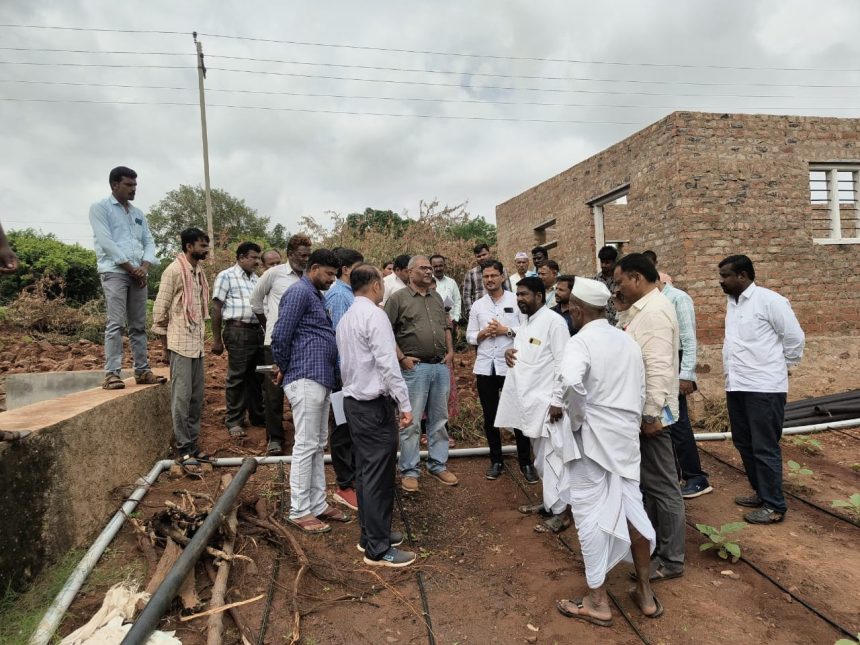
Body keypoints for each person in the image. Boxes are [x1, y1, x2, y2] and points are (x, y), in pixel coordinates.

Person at [554, 277, 660, 626]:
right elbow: (641, 388)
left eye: (571, 310)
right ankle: (644, 593)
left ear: (578, 310)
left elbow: (570, 382)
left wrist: (577, 418)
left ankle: (597, 601)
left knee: (588, 516)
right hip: (625, 442)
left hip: (593, 444)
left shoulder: (580, 342)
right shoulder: (626, 340)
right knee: (632, 509)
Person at [337, 264, 416, 567]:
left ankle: (370, 535)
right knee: (378, 476)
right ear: (374, 285)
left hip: (354, 404)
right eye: (381, 283)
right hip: (373, 407)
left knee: (365, 472)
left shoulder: (346, 318)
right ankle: (379, 550)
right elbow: (388, 364)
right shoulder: (375, 315)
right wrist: (405, 404)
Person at [614, 253, 686, 581]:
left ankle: (671, 560)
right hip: (644, 414)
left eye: (620, 282)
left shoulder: (655, 313)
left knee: (664, 487)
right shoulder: (641, 310)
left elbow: (657, 368)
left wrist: (650, 415)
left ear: (637, 278)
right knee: (652, 486)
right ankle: (657, 550)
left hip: (653, 416)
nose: (618, 289)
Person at [719, 254, 804, 524]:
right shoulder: (732, 303)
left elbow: (794, 337)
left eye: (726, 276)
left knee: (765, 446)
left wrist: (783, 366)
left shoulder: (770, 301)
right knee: (744, 442)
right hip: (738, 384)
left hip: (764, 387)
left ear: (742, 276)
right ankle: (761, 492)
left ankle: (774, 505)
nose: (721, 281)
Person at [272, 249, 349, 533]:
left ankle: (317, 503)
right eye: (329, 274)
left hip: (319, 377)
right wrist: (284, 365)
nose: (332, 280)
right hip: (305, 376)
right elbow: (281, 334)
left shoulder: (314, 295)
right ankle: (299, 509)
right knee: (305, 444)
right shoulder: (300, 293)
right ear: (314, 268)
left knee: (317, 444)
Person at [495, 277, 572, 533]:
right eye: (517, 295)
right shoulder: (526, 322)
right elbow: (526, 351)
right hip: (529, 403)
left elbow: (564, 364)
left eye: (524, 294)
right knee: (541, 459)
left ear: (540, 296)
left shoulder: (555, 323)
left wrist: (558, 400)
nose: (519, 299)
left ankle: (562, 513)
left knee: (553, 458)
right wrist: (509, 350)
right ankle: (550, 502)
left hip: (549, 405)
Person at [385, 255, 458, 492]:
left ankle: (438, 465)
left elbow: (446, 325)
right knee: (411, 421)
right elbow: (385, 332)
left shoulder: (437, 297)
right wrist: (402, 358)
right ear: (409, 271)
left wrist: (450, 351)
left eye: (430, 268)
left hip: (440, 367)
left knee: (439, 420)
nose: (428, 271)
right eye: (423, 268)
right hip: (415, 369)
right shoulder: (398, 299)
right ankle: (409, 470)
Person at [89, 166, 163, 390]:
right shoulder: (100, 208)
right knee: (116, 323)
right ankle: (112, 374)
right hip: (115, 272)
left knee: (139, 325)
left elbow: (149, 242)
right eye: (129, 185)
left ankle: (142, 370)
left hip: (138, 273)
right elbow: (106, 242)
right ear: (114, 185)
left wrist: (144, 266)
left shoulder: (138, 214)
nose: (133, 189)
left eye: (135, 185)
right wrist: (132, 268)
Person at [466, 260, 535, 482]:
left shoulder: (516, 301)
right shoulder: (478, 305)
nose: (489, 280)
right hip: (486, 367)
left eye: (493, 276)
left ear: (502, 276)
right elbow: (469, 336)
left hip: (510, 366)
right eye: (485, 276)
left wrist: (506, 330)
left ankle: (526, 462)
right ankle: (496, 460)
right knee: (490, 416)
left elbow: (527, 331)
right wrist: (484, 333)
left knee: (517, 413)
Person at [151, 228, 211, 472]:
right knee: (181, 399)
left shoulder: (198, 273)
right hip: (179, 343)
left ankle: (193, 445)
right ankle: (184, 449)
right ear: (189, 246)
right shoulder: (174, 271)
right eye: (202, 245)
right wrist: (165, 346)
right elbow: (159, 310)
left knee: (196, 400)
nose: (206, 249)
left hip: (196, 345)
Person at [250, 234, 311, 455]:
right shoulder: (273, 274)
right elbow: (255, 302)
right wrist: (269, 326)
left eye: (308, 255)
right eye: (302, 255)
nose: (305, 259)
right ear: (290, 254)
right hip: (275, 344)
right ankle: (275, 438)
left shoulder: (308, 277)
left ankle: (302, 438)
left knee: (301, 390)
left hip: (302, 344)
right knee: (273, 392)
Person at [659, 278, 712, 498]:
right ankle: (678, 474)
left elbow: (689, 338)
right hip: (664, 359)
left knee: (679, 421)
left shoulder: (678, 298)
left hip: (677, 361)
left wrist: (686, 374)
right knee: (668, 420)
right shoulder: (655, 300)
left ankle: (696, 478)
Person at [324, 247, 365, 511]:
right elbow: (341, 337)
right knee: (341, 429)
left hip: (350, 371)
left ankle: (351, 479)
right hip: (343, 373)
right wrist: (343, 374)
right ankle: (344, 486)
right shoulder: (340, 295)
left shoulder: (349, 294)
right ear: (348, 269)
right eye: (359, 266)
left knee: (350, 427)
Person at [211, 242, 265, 439]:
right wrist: (217, 340)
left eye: (258, 258)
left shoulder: (256, 279)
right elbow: (217, 307)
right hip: (237, 330)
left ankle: (258, 416)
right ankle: (234, 419)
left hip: (255, 331)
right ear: (241, 257)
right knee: (237, 377)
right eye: (253, 257)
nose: (257, 262)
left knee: (257, 377)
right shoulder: (227, 276)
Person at [462, 243, 510, 320]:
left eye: (484, 254)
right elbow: (466, 295)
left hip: (500, 310)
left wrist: (508, 310)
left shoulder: (501, 270)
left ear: (489, 254)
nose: (482, 258)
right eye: (478, 256)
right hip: (480, 312)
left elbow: (508, 290)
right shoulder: (471, 273)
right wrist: (471, 313)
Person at [430, 254, 462, 324]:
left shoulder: (452, 282)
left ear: (444, 266)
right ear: (431, 267)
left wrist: (455, 319)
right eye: (435, 266)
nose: (438, 268)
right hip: (433, 322)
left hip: (450, 321)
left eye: (440, 266)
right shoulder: (427, 283)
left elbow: (457, 301)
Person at [594, 245, 619, 326]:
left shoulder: (621, 280)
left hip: (620, 325)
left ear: (614, 262)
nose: (603, 265)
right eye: (602, 262)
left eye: (607, 262)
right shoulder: (595, 281)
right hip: (602, 326)